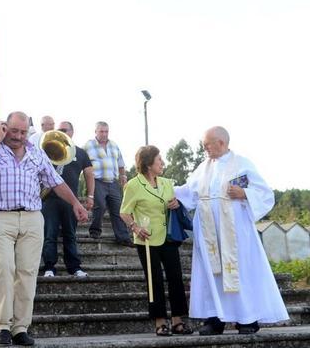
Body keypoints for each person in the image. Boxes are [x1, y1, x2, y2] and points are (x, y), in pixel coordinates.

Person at [0, 112, 89, 346]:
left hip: (33, 217)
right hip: (0, 216)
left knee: (27, 273)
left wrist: (76, 203)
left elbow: (56, 182)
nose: (18, 136)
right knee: (4, 267)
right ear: (4, 127)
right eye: (14, 131)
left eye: (23, 132)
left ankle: (20, 328)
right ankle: (2, 326)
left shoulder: (36, 152)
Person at [174, 126, 288, 335]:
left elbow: (265, 193)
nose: (205, 148)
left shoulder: (242, 164)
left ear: (221, 143)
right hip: (209, 233)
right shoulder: (203, 168)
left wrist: (244, 193)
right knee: (212, 275)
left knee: (240, 272)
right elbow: (188, 191)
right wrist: (164, 191)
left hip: (236, 233)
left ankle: (247, 319)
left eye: (207, 144)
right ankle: (215, 319)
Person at [120, 145, 192, 336]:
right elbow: (124, 212)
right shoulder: (133, 185)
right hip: (147, 239)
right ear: (148, 163)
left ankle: (177, 321)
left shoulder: (167, 183)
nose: (162, 163)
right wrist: (135, 227)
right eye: (159, 159)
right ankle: (160, 322)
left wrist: (176, 204)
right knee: (155, 280)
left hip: (169, 236)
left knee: (176, 277)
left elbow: (174, 203)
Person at [41, 121, 95, 278]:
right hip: (50, 198)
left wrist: (90, 196)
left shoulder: (80, 152)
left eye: (65, 130)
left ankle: (74, 267)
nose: (62, 132)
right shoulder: (48, 148)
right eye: (60, 130)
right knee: (49, 234)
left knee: (70, 234)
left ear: (72, 132)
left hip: (70, 200)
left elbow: (89, 174)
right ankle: (49, 267)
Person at [84, 121, 132, 245]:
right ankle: (95, 231)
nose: (104, 134)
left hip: (113, 182)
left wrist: (123, 176)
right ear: (95, 132)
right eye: (101, 131)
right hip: (97, 181)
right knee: (99, 205)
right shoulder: (88, 145)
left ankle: (123, 237)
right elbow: (83, 164)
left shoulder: (114, 145)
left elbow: (121, 163)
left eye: (106, 131)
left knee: (118, 209)